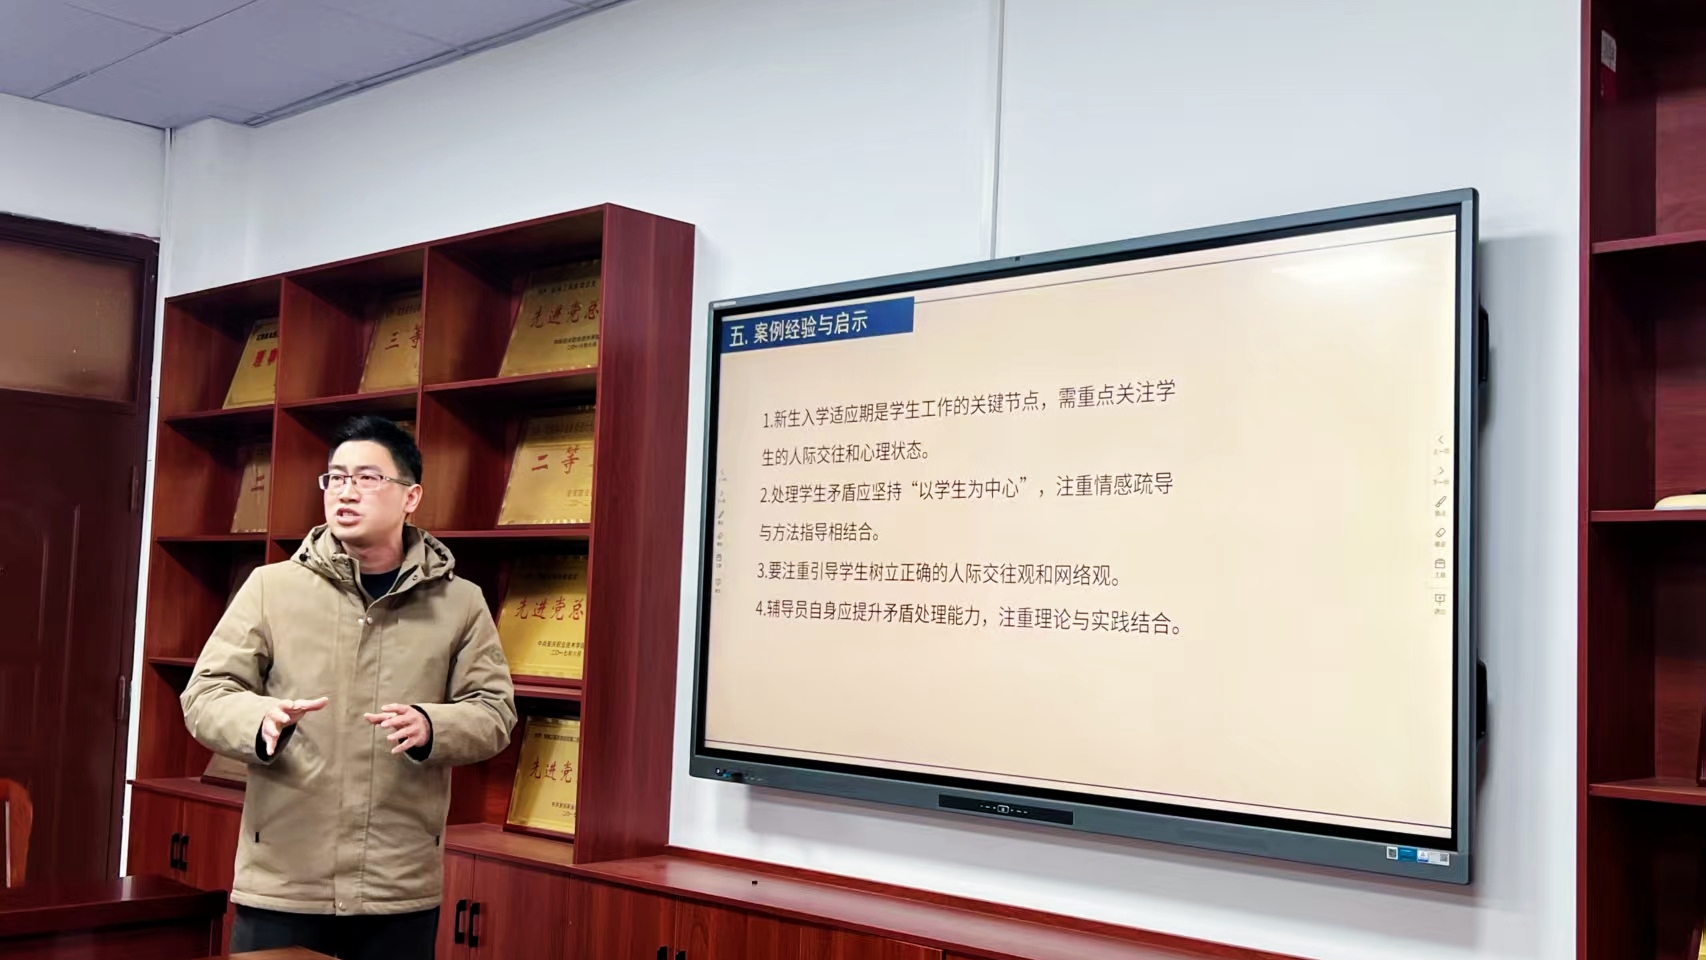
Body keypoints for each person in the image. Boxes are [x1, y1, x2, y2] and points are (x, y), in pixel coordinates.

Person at [182, 415, 516, 960]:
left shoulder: (460, 602)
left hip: (397, 885)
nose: (346, 491)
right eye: (336, 478)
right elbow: (205, 694)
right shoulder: (271, 588)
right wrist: (259, 720)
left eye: (367, 478)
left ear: (411, 497)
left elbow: (495, 712)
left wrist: (434, 726)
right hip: (285, 879)